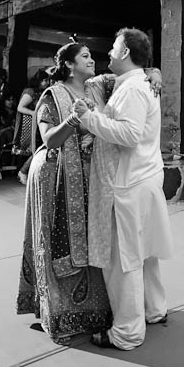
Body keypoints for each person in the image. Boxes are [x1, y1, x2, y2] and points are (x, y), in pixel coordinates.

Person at [74, 28, 173, 350]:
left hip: (129, 183)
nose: (109, 54)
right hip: (143, 177)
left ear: (127, 52)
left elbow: (129, 134)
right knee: (145, 253)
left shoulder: (132, 89)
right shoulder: (137, 82)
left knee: (125, 259)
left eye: (115, 48)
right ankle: (153, 309)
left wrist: (89, 118)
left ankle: (127, 332)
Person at [16, 43, 113, 344]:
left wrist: (155, 74)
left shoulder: (94, 89)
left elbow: (130, 75)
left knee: (89, 239)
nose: (92, 60)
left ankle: (92, 311)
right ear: (70, 65)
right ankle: (56, 313)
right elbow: (49, 140)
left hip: (87, 178)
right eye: (85, 56)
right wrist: (72, 120)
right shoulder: (52, 95)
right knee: (54, 238)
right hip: (54, 176)